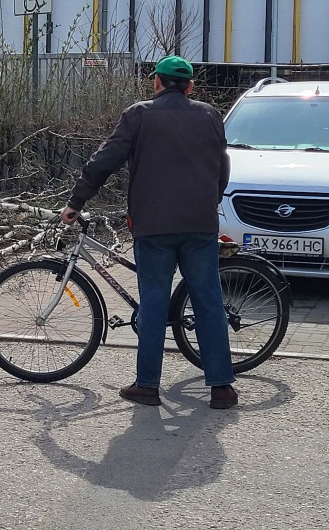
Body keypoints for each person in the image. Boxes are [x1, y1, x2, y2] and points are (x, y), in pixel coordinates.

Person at [61, 55, 237, 410]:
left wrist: (76, 201)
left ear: (156, 82)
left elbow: (104, 161)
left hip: (153, 225)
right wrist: (209, 200)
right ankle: (221, 388)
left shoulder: (139, 114)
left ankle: (147, 386)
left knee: (155, 300)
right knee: (208, 301)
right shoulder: (209, 115)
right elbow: (223, 165)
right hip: (200, 225)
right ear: (190, 86)